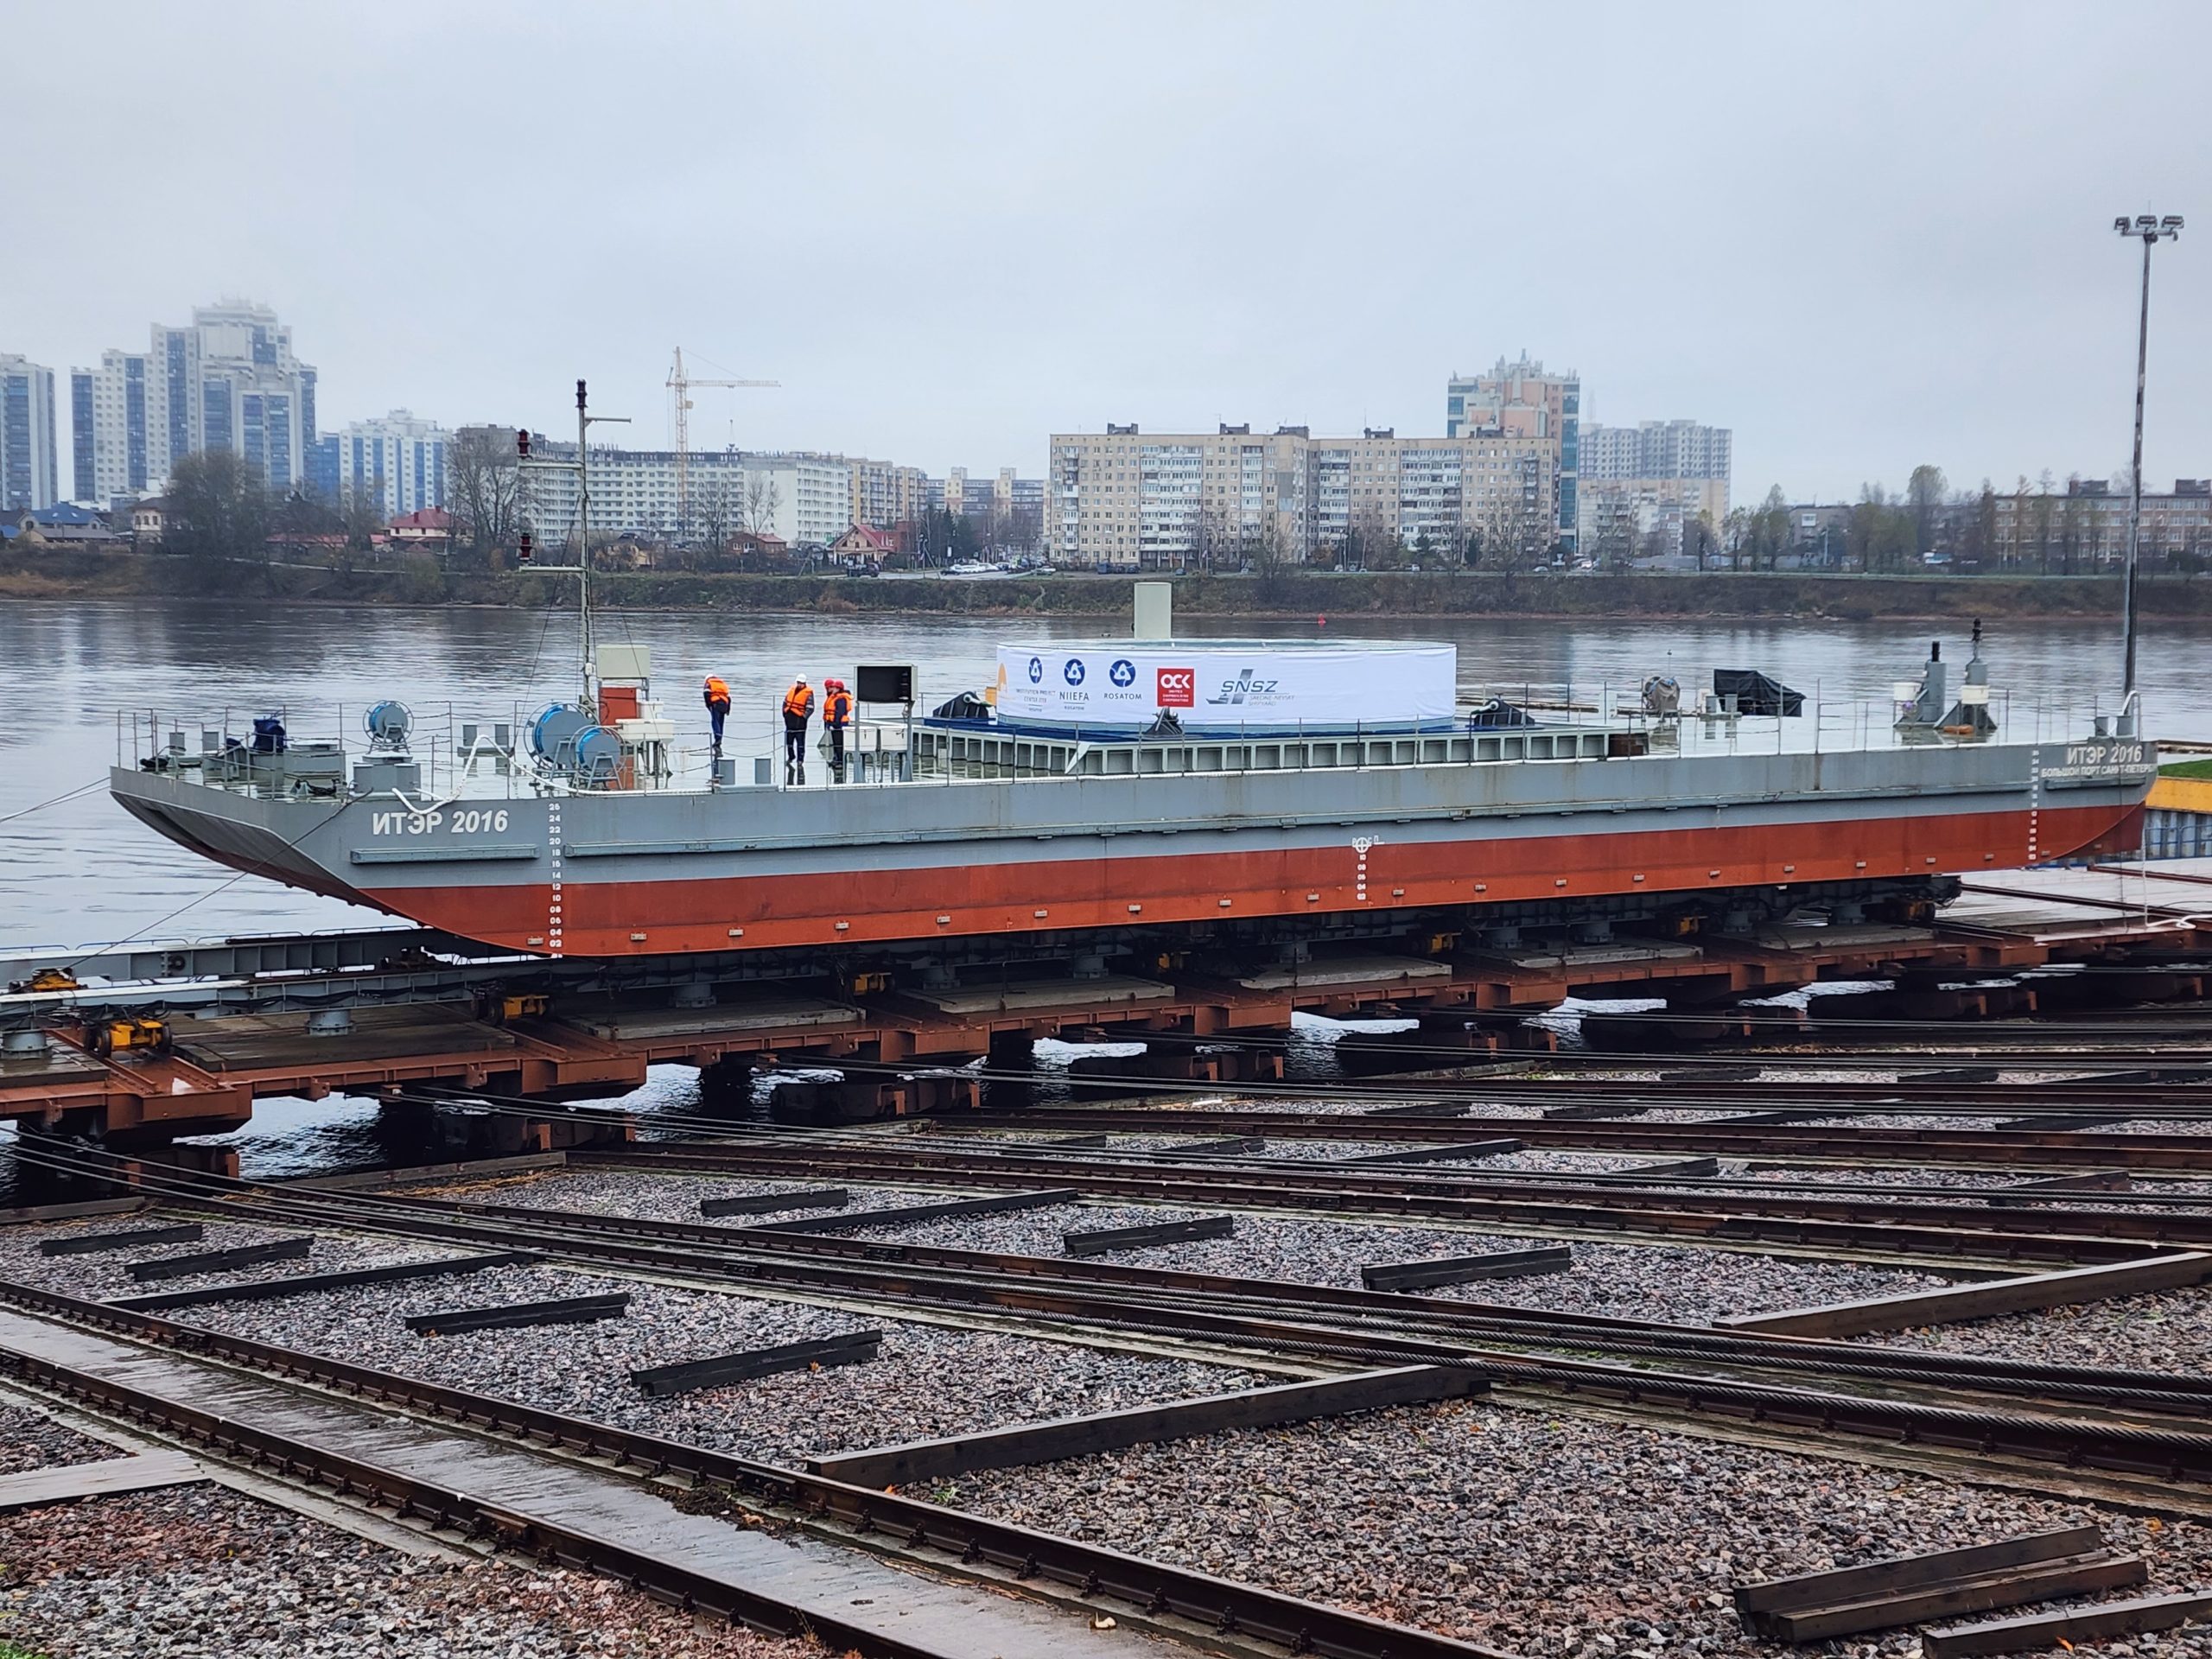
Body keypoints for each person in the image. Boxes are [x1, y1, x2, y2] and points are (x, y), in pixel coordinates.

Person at [780, 675, 814, 783]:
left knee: (800, 743)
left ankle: (800, 760)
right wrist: (784, 713)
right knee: (789, 742)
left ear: (804, 683)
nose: (799, 684)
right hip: (789, 719)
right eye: (798, 682)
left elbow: (810, 708)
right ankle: (791, 757)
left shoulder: (808, 693)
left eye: (801, 683)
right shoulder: (791, 690)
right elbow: (785, 703)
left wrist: (804, 718)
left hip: (800, 721)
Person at [823, 677, 854, 781]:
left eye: (835, 687)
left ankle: (840, 761)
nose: (833, 689)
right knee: (836, 743)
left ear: (839, 688)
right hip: (834, 724)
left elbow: (840, 713)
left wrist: (834, 723)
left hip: (839, 725)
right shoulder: (835, 697)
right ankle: (837, 759)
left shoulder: (841, 699)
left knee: (839, 743)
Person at [702, 674, 732, 754]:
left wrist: (708, 704)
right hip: (724, 704)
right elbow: (729, 698)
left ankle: (717, 739)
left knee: (715, 721)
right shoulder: (722, 684)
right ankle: (720, 739)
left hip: (715, 704)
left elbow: (706, 694)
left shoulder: (709, 683)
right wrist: (728, 709)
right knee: (721, 723)